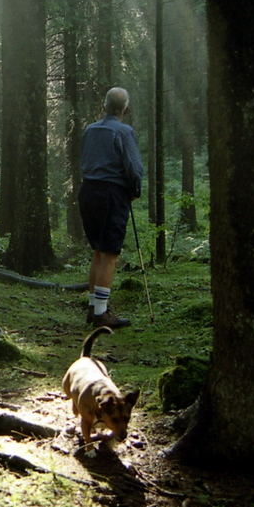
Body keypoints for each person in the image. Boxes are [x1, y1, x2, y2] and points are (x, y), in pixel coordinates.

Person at [79, 86, 144, 329]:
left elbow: (84, 159)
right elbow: (134, 167)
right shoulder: (124, 132)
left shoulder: (90, 130)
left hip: (88, 191)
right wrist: (134, 190)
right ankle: (101, 314)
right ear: (125, 107)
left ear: (105, 105)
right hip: (111, 194)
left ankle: (93, 307)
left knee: (98, 250)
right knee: (110, 254)